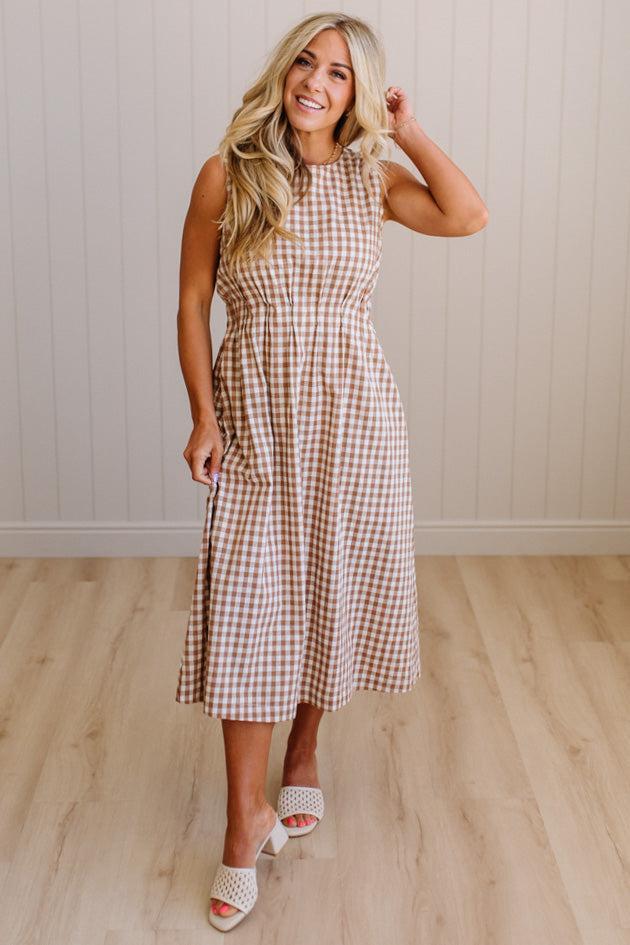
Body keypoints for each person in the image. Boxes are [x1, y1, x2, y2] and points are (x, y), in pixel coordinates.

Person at [175, 11, 488, 932]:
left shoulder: (372, 178)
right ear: (283, 70)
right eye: (306, 62)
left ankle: (304, 748)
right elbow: (194, 300)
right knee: (248, 606)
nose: (315, 81)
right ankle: (244, 822)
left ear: (358, 96)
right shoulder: (226, 174)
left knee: (328, 589)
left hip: (355, 421)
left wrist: (410, 129)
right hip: (255, 419)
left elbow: (468, 213)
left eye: (340, 75)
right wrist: (202, 415)